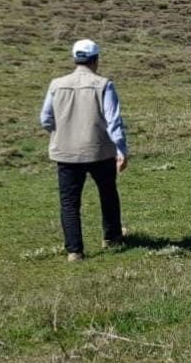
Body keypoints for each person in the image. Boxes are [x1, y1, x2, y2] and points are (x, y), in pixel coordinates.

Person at [39, 39, 129, 262]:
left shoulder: (56, 84)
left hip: (66, 152)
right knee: (108, 194)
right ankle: (112, 237)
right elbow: (113, 121)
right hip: (100, 151)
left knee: (69, 202)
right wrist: (122, 149)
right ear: (96, 59)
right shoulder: (104, 84)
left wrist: (61, 133)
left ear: (75, 59)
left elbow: (45, 119)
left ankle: (74, 251)